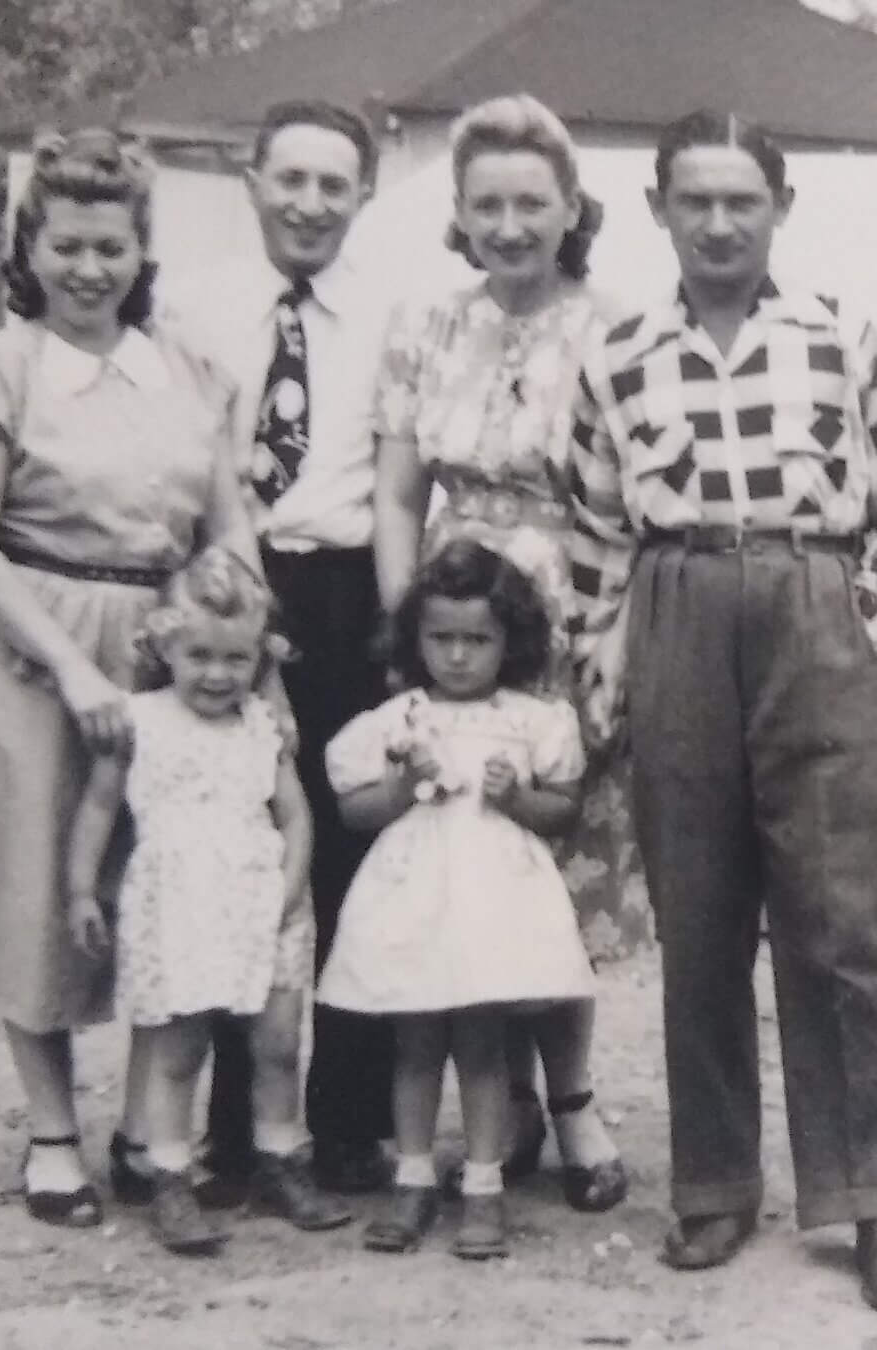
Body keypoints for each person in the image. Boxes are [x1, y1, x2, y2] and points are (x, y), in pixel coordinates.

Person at [565, 109, 877, 1315]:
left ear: (780, 207)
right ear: (659, 211)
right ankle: (717, 1184)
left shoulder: (840, 335)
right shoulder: (618, 354)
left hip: (809, 603)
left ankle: (874, 1198)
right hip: (676, 610)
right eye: (697, 201)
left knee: (843, 920)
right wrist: (600, 654)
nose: (720, 222)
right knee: (701, 914)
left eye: (743, 200)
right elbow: (590, 525)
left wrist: (868, 617)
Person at [0, 128, 255, 1228]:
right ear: (31, 245)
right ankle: (53, 1135)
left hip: (166, 652)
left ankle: (148, 1128)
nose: (88, 270)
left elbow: (226, 525)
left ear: (138, 247)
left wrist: (240, 637)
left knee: (166, 887)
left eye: (109, 247)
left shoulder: (187, 368)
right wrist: (69, 666)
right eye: (66, 246)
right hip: (31, 645)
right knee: (37, 887)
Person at [370, 92, 633, 1218]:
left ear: (571, 208)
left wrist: (614, 638)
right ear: (462, 214)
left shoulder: (620, 328)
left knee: (558, 867)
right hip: (456, 621)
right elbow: (394, 492)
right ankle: (501, 1100)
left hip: (571, 622)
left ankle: (569, 1098)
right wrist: (406, 633)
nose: (512, 225)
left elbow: (639, 507)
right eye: (490, 204)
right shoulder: (426, 325)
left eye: (534, 203)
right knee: (464, 860)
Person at [163, 99, 399, 1199]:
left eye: (333, 184)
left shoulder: (396, 313)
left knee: (348, 854)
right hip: (228, 585)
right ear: (250, 179)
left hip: (347, 590)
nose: (310, 203)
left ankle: (346, 1122)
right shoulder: (194, 308)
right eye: (290, 179)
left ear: (366, 194)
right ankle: (223, 1131)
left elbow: (404, 479)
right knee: (226, 841)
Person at [63, 548, 353, 1254]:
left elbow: (296, 817)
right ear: (166, 645)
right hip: (178, 905)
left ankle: (280, 1162)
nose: (218, 675)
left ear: (259, 656)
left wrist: (288, 893)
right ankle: (168, 1175)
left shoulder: (262, 727)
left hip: (262, 900)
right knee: (178, 1049)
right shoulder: (139, 720)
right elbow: (100, 808)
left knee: (278, 1044)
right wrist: (80, 889)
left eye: (236, 658)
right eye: (199, 655)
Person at [318, 541, 599, 1259]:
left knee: (482, 1050)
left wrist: (519, 798)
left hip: (491, 906)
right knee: (413, 1048)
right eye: (441, 638)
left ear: (511, 640)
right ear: (415, 639)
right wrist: (402, 787)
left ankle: (483, 1184)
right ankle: (413, 1178)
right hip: (415, 902)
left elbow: (564, 810)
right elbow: (354, 811)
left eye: (478, 639)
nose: (459, 656)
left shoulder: (532, 720)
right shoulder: (398, 718)